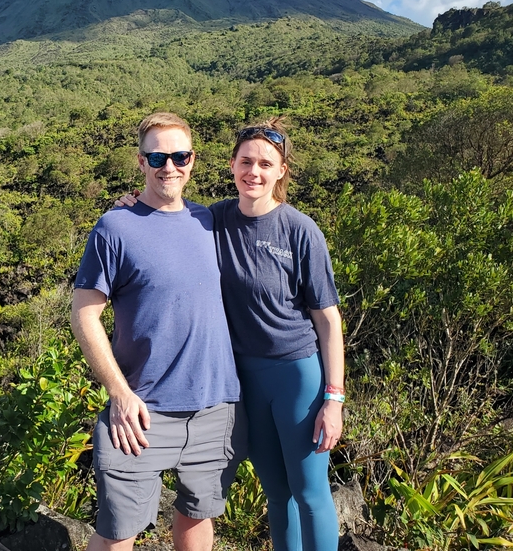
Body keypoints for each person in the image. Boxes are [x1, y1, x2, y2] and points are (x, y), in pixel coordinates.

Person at [119, 117, 344, 551]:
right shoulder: (214, 219)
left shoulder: (300, 231)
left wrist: (333, 399)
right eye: (246, 161)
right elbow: (167, 216)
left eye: (265, 163)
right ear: (231, 165)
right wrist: (130, 204)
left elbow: (328, 320)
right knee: (276, 493)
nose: (253, 172)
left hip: (296, 375)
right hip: (243, 381)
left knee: (310, 493)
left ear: (281, 171)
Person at [71, 111, 246, 551]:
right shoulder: (115, 226)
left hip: (216, 407)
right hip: (139, 413)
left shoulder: (213, 221)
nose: (169, 166)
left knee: (197, 517)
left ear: (193, 160)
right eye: (157, 157)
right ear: (141, 161)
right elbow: (84, 314)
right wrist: (118, 392)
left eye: (179, 156)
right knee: (117, 531)